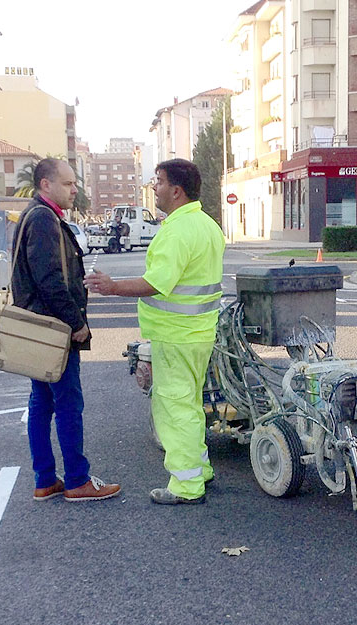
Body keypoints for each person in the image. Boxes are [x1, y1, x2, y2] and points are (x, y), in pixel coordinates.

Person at [85, 159, 224, 505]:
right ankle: (200, 469)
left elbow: (155, 284)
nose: (154, 188)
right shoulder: (207, 225)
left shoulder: (176, 232)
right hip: (199, 334)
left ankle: (187, 486)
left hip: (175, 337)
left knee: (174, 410)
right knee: (190, 405)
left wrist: (112, 286)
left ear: (176, 191)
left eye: (158, 182)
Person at [12, 158, 121, 503]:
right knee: (68, 402)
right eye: (68, 183)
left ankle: (45, 479)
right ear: (45, 184)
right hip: (55, 330)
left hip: (39, 329)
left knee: (41, 402)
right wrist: (76, 323)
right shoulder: (43, 219)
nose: (75, 189)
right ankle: (76, 479)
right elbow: (49, 279)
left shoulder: (35, 215)